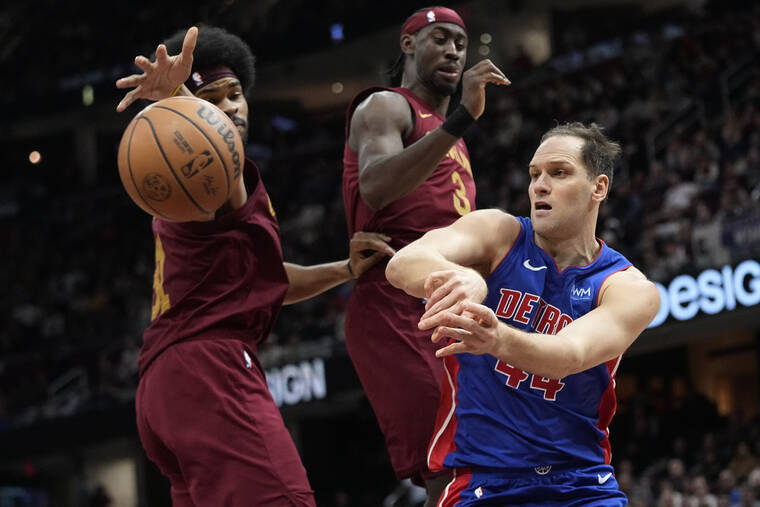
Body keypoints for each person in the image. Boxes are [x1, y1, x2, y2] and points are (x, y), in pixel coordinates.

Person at [116, 26, 394, 506]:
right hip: (209, 370)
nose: (230, 108)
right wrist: (176, 95)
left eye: (235, 94)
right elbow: (200, 139)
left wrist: (344, 270)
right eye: (212, 100)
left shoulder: (212, 187)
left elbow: (263, 283)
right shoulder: (207, 171)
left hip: (165, 386)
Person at [385, 122, 661, 506]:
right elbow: (403, 263)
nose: (540, 186)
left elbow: (569, 356)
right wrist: (462, 276)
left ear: (598, 188)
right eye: (534, 175)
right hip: (483, 481)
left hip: (581, 483)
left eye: (558, 173)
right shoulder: (499, 234)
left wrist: (497, 338)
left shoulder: (628, 287)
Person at [341, 6, 510, 505]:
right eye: (440, 38)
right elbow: (375, 187)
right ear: (408, 44)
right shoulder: (386, 106)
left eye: (461, 42)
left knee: (486, 460)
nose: (454, 50)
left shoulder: (446, 135)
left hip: (452, 301)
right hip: (396, 303)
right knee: (447, 463)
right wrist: (463, 119)